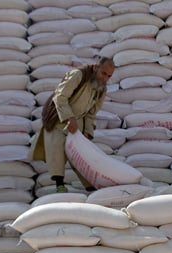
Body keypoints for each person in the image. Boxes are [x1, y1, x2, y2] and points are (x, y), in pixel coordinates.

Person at [29, 57, 115, 193]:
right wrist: (69, 117)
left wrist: (87, 131)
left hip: (78, 120)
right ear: (95, 67)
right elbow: (60, 97)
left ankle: (91, 186)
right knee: (57, 151)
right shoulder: (78, 75)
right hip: (59, 116)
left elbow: (91, 113)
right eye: (103, 73)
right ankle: (60, 185)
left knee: (81, 154)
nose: (105, 78)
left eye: (109, 76)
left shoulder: (101, 89)